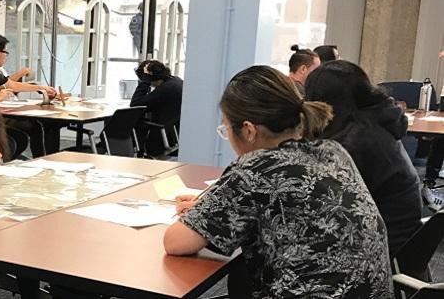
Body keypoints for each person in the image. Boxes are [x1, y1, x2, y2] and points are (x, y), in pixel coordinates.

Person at [163, 65, 392, 298]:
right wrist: (213, 208)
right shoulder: (332, 150)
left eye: (226, 129)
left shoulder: (253, 169)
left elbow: (175, 242)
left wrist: (206, 211)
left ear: (249, 130)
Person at [304, 60, 422, 256]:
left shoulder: (355, 140)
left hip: (381, 248)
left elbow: (321, 199)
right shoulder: (374, 121)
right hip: (401, 237)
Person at [0, 33, 54, 157]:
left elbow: (10, 84)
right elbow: (11, 85)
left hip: (3, 111)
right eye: (5, 52)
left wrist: (40, 88)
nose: (6, 56)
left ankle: (41, 158)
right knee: (32, 128)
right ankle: (41, 159)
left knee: (30, 130)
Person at [130, 60, 183, 157]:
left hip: (161, 138)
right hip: (175, 134)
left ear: (150, 77)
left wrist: (145, 82)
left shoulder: (164, 90)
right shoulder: (176, 81)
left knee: (134, 122)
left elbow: (135, 105)